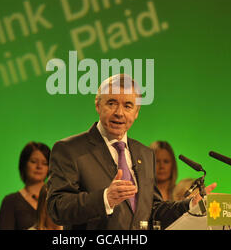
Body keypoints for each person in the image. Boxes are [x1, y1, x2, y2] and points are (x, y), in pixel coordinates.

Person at [47, 74, 216, 230]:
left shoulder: (145, 154)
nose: (119, 113)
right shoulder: (69, 149)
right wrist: (105, 199)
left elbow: (152, 209)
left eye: (128, 106)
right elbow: (57, 208)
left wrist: (188, 205)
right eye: (111, 103)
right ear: (98, 105)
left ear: (136, 113)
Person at [0, 142, 50, 230]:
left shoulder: (56, 199)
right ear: (24, 164)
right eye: (33, 161)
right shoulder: (10, 201)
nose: (39, 166)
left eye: (44, 163)